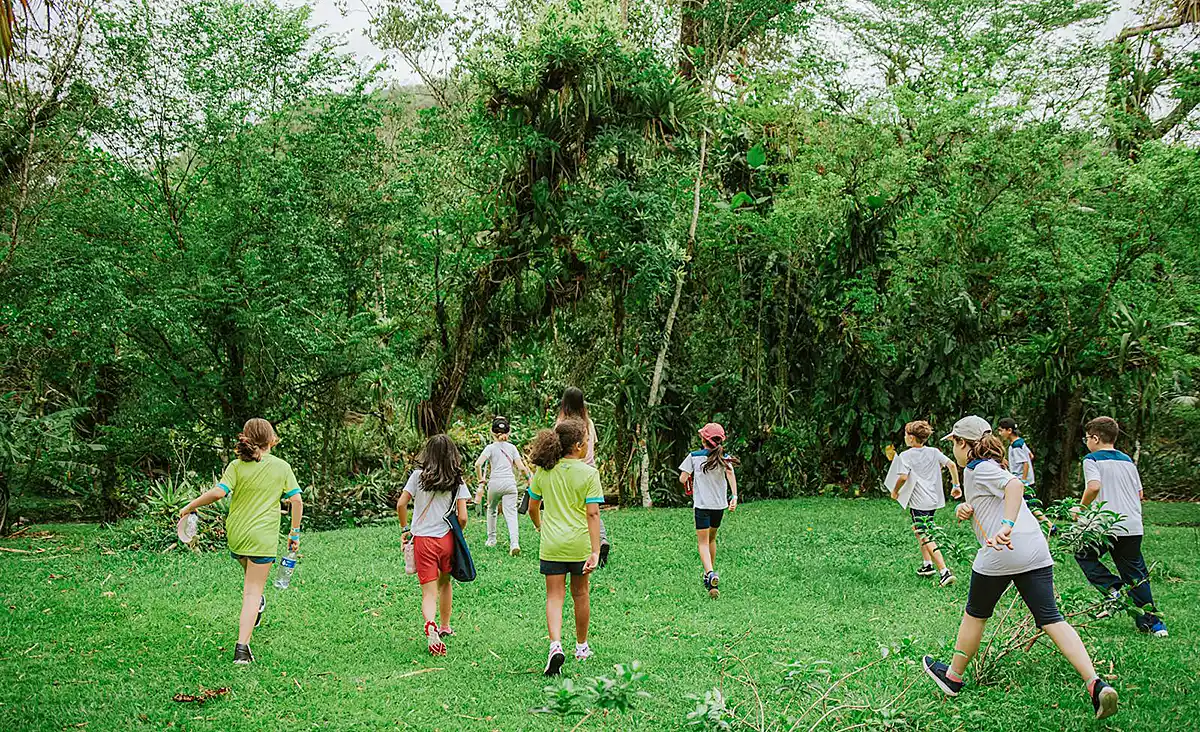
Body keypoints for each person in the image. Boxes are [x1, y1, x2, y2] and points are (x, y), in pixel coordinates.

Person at [922, 416, 1118, 721]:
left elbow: (1014, 486)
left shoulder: (977, 467)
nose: (954, 450)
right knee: (1051, 618)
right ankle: (1095, 684)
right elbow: (996, 496)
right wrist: (968, 509)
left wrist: (1006, 526)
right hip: (1035, 549)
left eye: (954, 443)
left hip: (1004, 550)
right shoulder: (988, 467)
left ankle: (953, 676)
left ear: (963, 443)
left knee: (976, 614)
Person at [179, 418, 303, 665]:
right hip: (262, 537)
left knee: (252, 584)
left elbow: (218, 492)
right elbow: (297, 501)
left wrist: (189, 505)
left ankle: (258, 603)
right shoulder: (281, 467)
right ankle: (242, 650)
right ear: (271, 440)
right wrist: (294, 533)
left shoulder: (236, 466)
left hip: (236, 534)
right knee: (252, 591)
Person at [1073, 416, 1167, 637]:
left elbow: (1094, 486)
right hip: (1132, 525)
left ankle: (1114, 589)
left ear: (1095, 438)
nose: (1087, 442)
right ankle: (1154, 625)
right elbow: (1140, 493)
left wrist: (1081, 508)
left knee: (1083, 554)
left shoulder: (1091, 459)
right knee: (1135, 573)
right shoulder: (1127, 461)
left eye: (1087, 437)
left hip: (1106, 525)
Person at [527, 419, 603, 676]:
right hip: (579, 544)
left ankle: (555, 645)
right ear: (579, 446)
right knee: (580, 594)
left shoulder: (544, 471)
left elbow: (532, 507)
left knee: (554, 596)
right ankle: (581, 646)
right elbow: (593, 514)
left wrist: (540, 527)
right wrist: (595, 550)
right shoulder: (589, 474)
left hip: (552, 545)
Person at [396, 434, 471, 656]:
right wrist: (457, 532)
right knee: (445, 583)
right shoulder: (456, 480)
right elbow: (463, 516)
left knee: (428, 592)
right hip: (446, 539)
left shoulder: (417, 477)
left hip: (423, 541)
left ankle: (431, 624)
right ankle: (446, 626)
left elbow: (401, 503)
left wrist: (404, 529)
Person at [890, 420, 960, 587]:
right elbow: (951, 464)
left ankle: (944, 571)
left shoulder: (906, 456)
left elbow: (903, 477)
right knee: (920, 530)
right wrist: (956, 485)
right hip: (933, 500)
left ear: (912, 438)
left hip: (918, 502)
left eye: (906, 435)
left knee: (924, 534)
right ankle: (927, 565)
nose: (905, 438)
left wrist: (895, 491)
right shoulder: (934, 452)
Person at [678, 423, 739, 598]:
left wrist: (690, 477)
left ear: (703, 440)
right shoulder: (724, 458)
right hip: (719, 507)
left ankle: (710, 572)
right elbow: (730, 476)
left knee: (702, 543)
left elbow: (682, 479)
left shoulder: (694, 457)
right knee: (712, 539)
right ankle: (710, 579)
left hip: (702, 506)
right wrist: (734, 497)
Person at [556, 387, 611, 567]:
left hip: (568, 471)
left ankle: (572, 543)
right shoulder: (588, 423)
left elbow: (556, 450)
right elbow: (593, 445)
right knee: (592, 510)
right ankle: (601, 539)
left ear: (564, 403)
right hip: (589, 470)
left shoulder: (561, 425)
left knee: (570, 508)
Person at [473, 417, 531, 556]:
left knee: (491, 509)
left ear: (492, 433)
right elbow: (521, 467)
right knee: (511, 513)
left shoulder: (490, 448)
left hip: (495, 483)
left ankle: (491, 539)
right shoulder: (512, 448)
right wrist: (529, 479)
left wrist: (481, 479)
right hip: (510, 483)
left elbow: (477, 464)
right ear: (508, 432)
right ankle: (514, 543)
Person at [997, 417, 1055, 534]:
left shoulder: (1016, 446)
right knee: (1027, 505)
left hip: (1022, 482)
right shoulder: (1020, 442)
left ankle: (1050, 527)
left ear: (1009, 430)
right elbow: (1030, 456)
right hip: (1026, 480)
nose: (1000, 433)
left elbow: (1025, 463)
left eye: (1000, 430)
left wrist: (1023, 480)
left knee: (1031, 506)